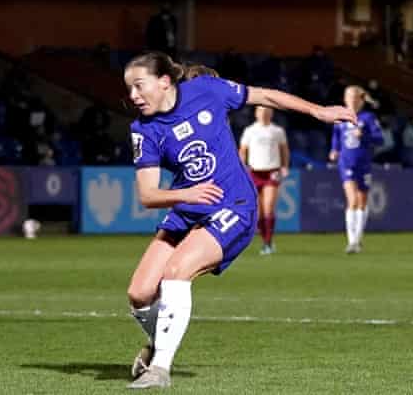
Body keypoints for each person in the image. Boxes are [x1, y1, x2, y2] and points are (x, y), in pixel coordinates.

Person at [124, 51, 355, 389]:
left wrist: (317, 110)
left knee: (176, 273)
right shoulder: (143, 130)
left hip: (233, 204)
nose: (133, 96)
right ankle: (161, 341)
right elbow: (147, 195)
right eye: (129, 88)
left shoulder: (207, 90)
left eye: (138, 86)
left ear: (163, 82)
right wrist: (185, 195)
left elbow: (265, 94)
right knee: (139, 294)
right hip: (189, 206)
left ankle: (159, 369)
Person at [328, 86, 383, 255]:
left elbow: (380, 139)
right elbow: (336, 137)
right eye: (348, 97)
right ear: (344, 99)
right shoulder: (341, 118)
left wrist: (364, 134)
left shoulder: (368, 118)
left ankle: (357, 239)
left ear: (361, 100)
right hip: (346, 163)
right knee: (352, 200)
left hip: (364, 163)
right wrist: (334, 150)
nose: (351, 100)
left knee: (362, 201)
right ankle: (351, 241)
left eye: (354, 98)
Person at [238, 106, 289, 255]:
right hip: (254, 172)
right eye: (261, 110)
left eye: (267, 110)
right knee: (258, 212)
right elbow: (242, 150)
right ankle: (264, 240)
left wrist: (284, 166)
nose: (264, 113)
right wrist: (242, 167)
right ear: (256, 113)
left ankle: (268, 242)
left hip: (272, 171)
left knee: (268, 208)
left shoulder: (277, 131)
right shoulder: (250, 130)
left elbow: (284, 150)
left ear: (271, 113)